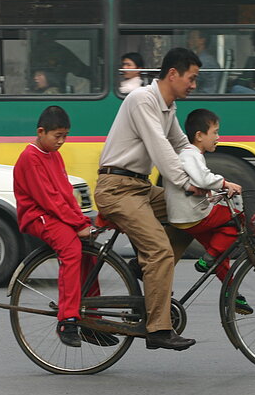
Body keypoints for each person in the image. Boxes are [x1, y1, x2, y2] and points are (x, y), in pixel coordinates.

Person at [94, 47, 204, 352]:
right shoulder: (142, 99)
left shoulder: (168, 108)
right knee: (159, 251)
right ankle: (158, 328)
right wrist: (185, 181)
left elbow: (182, 145)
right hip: (116, 188)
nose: (194, 85)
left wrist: (211, 179)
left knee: (191, 216)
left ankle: (140, 269)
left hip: (139, 188)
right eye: (191, 78)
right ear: (173, 74)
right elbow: (159, 147)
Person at [13, 106, 118, 348]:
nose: (61, 141)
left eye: (65, 136)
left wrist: (82, 222)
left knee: (88, 254)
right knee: (71, 250)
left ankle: (93, 321)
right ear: (41, 132)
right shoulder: (30, 157)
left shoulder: (55, 155)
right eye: (57, 136)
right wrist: (76, 225)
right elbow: (48, 199)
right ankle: (67, 319)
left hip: (55, 213)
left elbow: (65, 195)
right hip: (37, 216)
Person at [164, 108, 253, 315]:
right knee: (238, 219)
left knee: (220, 256)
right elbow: (203, 178)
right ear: (199, 136)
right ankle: (208, 258)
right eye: (215, 132)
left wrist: (214, 193)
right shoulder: (190, 154)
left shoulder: (190, 155)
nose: (218, 138)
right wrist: (225, 183)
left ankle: (233, 293)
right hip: (192, 215)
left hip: (190, 215)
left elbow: (198, 180)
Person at [186, 29, 222, 94]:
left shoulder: (205, 61)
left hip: (203, 96)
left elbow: (189, 81)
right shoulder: (202, 58)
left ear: (202, 41)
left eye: (192, 38)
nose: (189, 41)